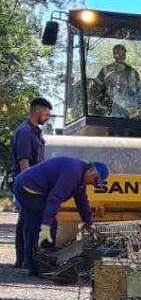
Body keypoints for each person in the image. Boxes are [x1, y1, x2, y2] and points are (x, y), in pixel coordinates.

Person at [13, 157, 108, 277]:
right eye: (95, 180)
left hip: (25, 186)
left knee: (34, 227)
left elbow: (82, 201)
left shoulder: (80, 178)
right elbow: (55, 197)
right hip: (28, 189)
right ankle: (46, 268)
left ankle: (35, 268)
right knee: (48, 227)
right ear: (91, 171)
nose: (93, 184)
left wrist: (89, 223)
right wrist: (47, 223)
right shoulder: (73, 172)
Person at [11, 97, 51, 269]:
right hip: (26, 182)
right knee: (29, 221)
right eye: (46, 114)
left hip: (31, 181)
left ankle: (22, 259)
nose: (48, 117)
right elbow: (24, 161)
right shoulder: (25, 132)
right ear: (37, 112)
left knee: (24, 221)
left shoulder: (35, 131)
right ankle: (27, 260)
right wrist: (30, 186)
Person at [97, 44, 141, 117]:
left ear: (125, 56)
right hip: (108, 108)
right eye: (118, 54)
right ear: (114, 55)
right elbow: (98, 88)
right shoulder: (105, 69)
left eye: (123, 54)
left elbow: (138, 92)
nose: (121, 56)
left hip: (127, 107)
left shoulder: (132, 72)